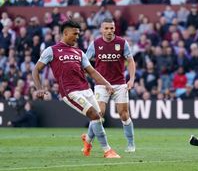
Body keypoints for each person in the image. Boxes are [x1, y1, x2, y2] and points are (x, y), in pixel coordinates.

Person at [32, 20, 120, 158]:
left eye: (79, 34)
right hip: (70, 92)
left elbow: (92, 72)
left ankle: (88, 141)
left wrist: (107, 84)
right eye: (75, 34)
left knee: (98, 116)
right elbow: (36, 69)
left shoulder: (79, 52)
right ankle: (107, 150)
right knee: (95, 115)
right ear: (65, 33)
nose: (77, 37)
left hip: (85, 89)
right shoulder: (52, 50)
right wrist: (39, 88)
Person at [86, 18, 136, 153]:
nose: (109, 31)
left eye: (111, 28)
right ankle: (88, 140)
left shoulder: (122, 43)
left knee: (124, 115)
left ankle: (131, 144)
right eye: (106, 28)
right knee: (98, 113)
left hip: (119, 84)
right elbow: (85, 63)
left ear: (114, 29)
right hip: (101, 84)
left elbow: (130, 61)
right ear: (101, 29)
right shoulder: (95, 44)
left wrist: (131, 80)